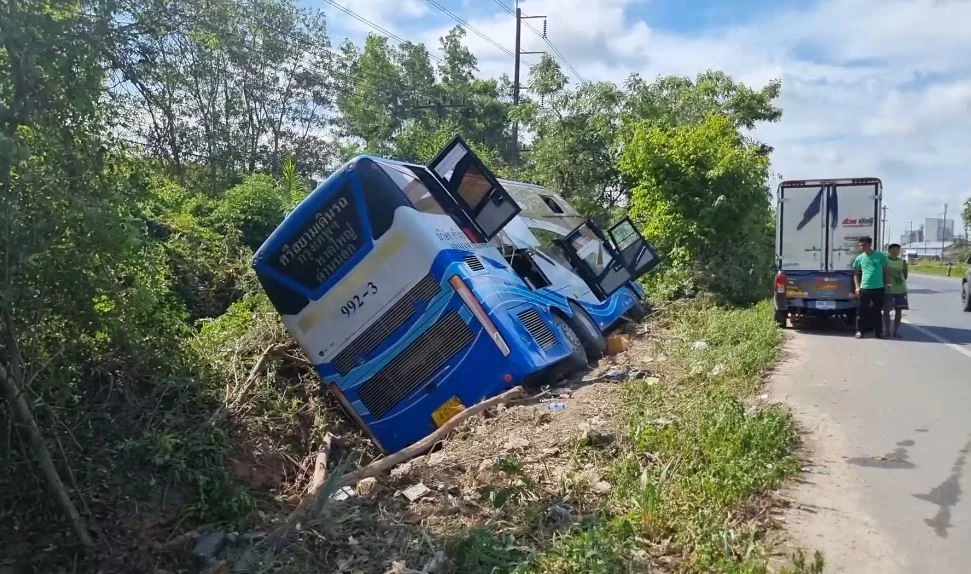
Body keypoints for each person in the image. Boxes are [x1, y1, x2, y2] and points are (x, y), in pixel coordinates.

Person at [852, 236, 890, 339]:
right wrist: (857, 287)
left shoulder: (880, 256)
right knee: (862, 311)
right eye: (860, 245)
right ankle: (860, 331)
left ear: (869, 244)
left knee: (877, 311)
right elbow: (855, 274)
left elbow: (886, 271)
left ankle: (879, 332)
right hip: (865, 288)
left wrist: (887, 284)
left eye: (863, 245)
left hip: (878, 288)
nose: (861, 247)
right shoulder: (859, 258)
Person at [882, 243, 909, 338]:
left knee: (899, 311)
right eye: (893, 250)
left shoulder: (902, 262)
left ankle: (896, 331)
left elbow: (905, 275)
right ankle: (887, 331)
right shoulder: (885, 260)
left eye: (897, 250)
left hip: (900, 289)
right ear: (889, 251)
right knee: (886, 311)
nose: (895, 252)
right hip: (888, 289)